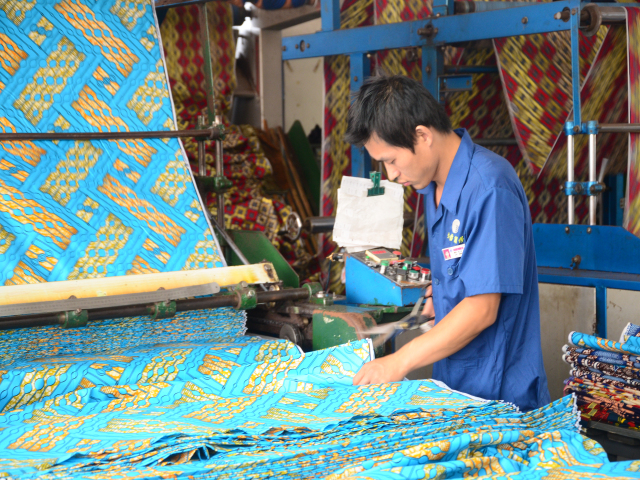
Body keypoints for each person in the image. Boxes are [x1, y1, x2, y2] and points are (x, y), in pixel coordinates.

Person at [346, 75, 550, 411]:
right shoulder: (432, 187)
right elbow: (464, 276)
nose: (391, 174)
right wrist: (441, 299)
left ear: (423, 136)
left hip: (499, 396)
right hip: (455, 385)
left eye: (391, 160)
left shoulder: (489, 188)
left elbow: (482, 309)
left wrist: (398, 361)